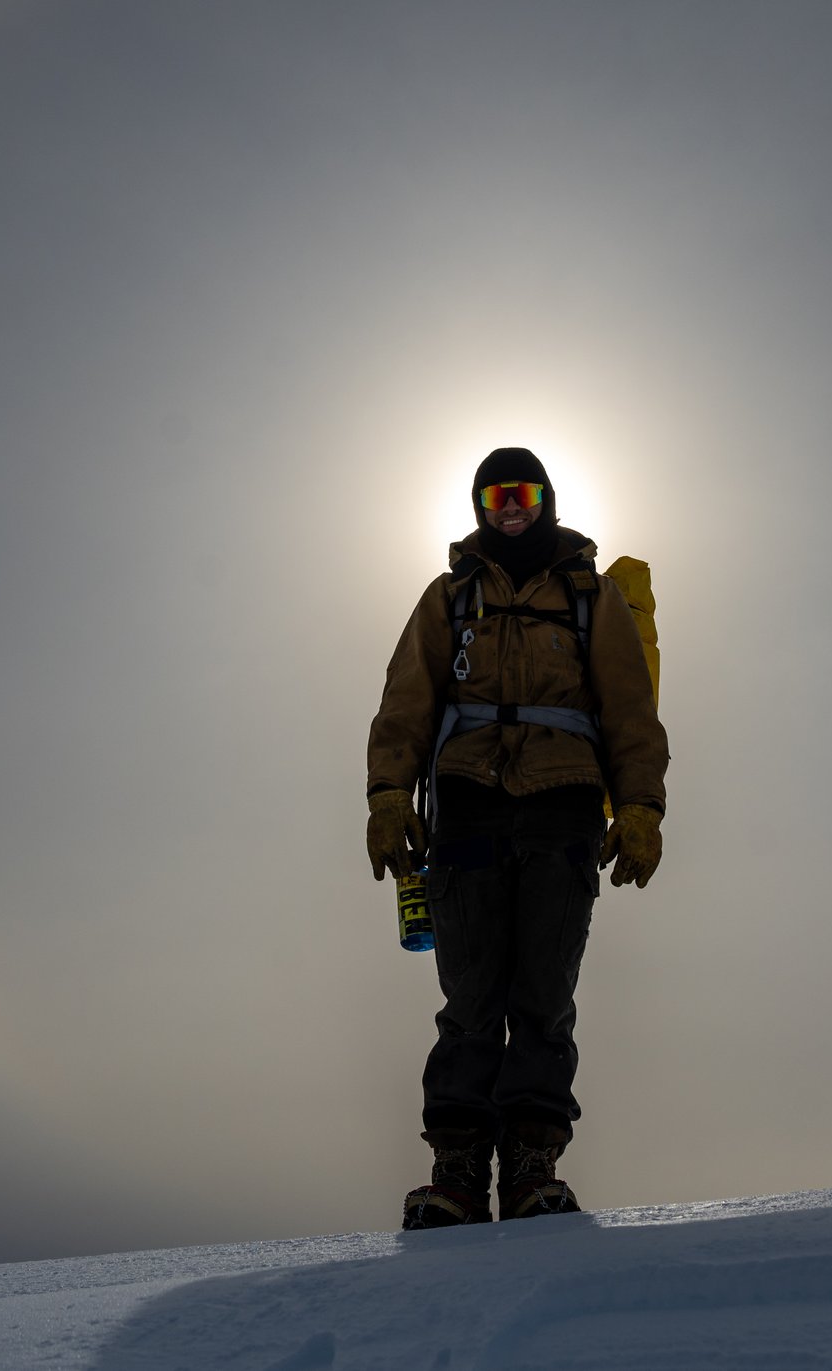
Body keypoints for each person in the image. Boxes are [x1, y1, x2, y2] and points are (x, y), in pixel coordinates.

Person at [365, 446, 669, 1228]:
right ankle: (458, 1170)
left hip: (562, 809)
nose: (511, 505)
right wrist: (390, 793)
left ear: (546, 497)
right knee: (470, 1000)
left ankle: (532, 1163)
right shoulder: (449, 597)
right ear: (478, 503)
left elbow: (630, 707)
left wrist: (640, 806)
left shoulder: (589, 597)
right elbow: (407, 698)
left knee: (543, 996)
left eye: (524, 491)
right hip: (467, 809)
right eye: (496, 493)